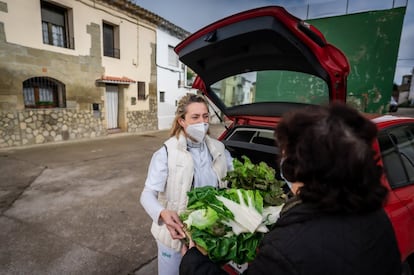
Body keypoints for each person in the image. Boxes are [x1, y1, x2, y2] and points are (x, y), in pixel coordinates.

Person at [180, 102, 402, 275]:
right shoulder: (376, 216)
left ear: (304, 170)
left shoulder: (286, 248)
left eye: (286, 158)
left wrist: (193, 262)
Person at [140, 93, 233, 275]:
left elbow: (235, 175)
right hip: (175, 237)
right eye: (195, 117)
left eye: (205, 116)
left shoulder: (219, 149)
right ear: (182, 121)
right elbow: (147, 194)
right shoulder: (167, 153)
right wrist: (162, 213)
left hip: (210, 234)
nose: (202, 122)